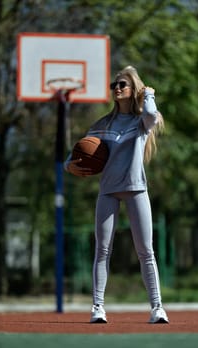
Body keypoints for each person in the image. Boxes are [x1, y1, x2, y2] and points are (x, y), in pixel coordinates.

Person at [64, 66, 169, 324]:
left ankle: (157, 308)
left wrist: (149, 95)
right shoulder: (101, 125)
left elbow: (151, 114)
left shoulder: (141, 121)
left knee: (146, 252)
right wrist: (72, 165)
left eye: (122, 84)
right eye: (114, 85)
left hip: (136, 190)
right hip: (107, 192)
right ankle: (97, 307)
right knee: (102, 250)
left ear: (133, 89)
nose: (117, 88)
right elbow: (72, 158)